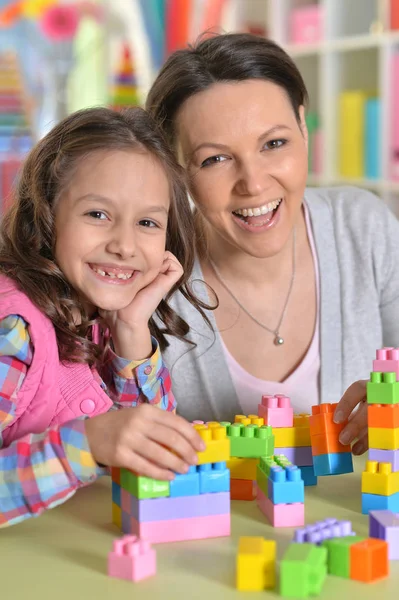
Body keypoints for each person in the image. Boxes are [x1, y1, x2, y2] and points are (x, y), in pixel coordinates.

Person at [146, 32, 399, 455]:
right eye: (215, 159)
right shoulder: (153, 281)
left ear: (303, 124)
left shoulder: (363, 227)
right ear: (177, 169)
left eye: (274, 143)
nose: (254, 184)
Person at [0, 106, 207, 527]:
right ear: (46, 216)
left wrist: (131, 330)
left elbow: (152, 449)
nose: (125, 246)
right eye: (98, 214)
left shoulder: (92, 314)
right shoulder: (14, 330)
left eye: (147, 222)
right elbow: (102, 444)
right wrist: (88, 444)